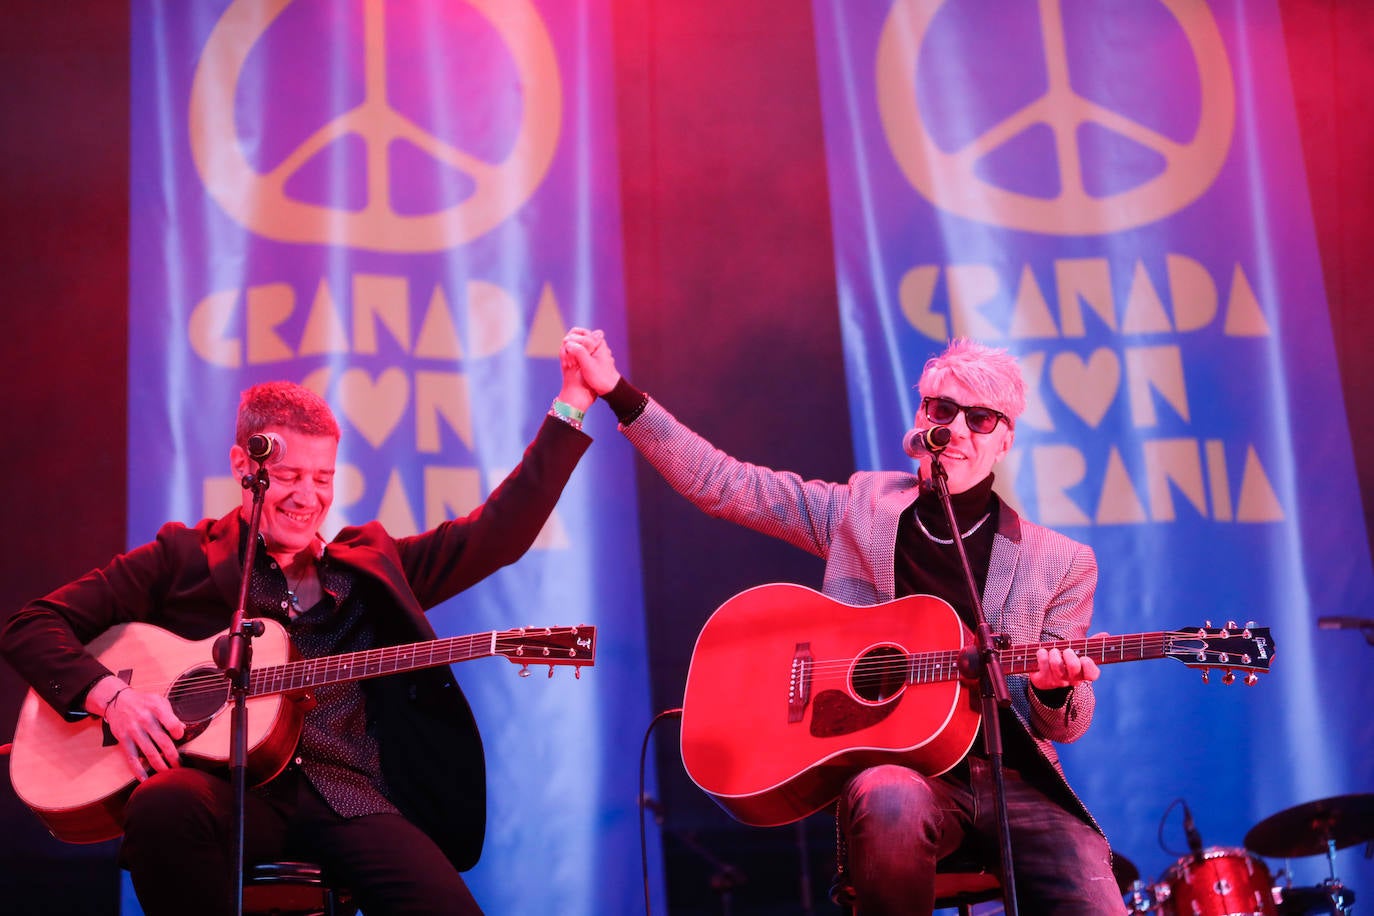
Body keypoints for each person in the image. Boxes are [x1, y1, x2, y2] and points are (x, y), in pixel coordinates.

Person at [0, 352, 597, 916]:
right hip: (228, 795)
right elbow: (31, 626)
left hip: (351, 799)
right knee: (162, 802)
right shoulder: (181, 558)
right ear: (243, 466)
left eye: (323, 477)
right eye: (287, 475)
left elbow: (499, 532)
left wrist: (570, 403)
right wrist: (115, 697)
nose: (307, 496)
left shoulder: (371, 569)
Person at [565, 329, 1124, 915]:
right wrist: (618, 393)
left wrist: (1051, 689)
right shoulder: (862, 508)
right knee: (886, 799)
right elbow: (725, 486)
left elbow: (1066, 725)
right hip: (905, 774)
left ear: (1005, 439)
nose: (956, 430)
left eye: (981, 419)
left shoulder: (1060, 561)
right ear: (920, 418)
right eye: (942, 409)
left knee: (1092, 894)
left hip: (1016, 780)